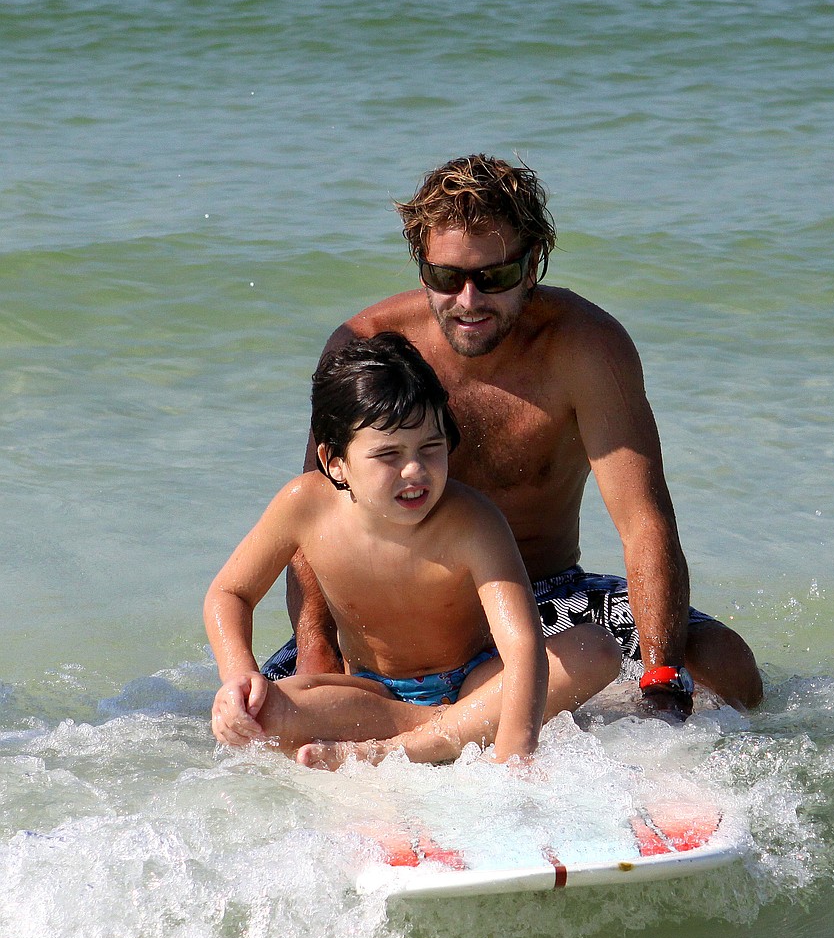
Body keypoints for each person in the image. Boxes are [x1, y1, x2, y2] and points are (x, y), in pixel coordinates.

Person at [262, 154, 762, 726]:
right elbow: (312, 528)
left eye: (493, 277)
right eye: (446, 278)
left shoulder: (584, 347)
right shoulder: (369, 346)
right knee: (252, 721)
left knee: (729, 666)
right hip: (398, 622)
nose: (469, 300)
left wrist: (661, 678)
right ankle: (453, 724)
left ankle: (592, 736)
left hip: (545, 595)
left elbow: (644, 520)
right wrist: (319, 659)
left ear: (532, 265)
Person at [205, 332, 621, 767]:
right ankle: (457, 727)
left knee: (595, 649)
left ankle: (422, 743)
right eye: (388, 454)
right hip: (372, 696)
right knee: (260, 712)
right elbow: (230, 593)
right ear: (334, 462)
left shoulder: (472, 520)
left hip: (475, 681)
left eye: (430, 447)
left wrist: (513, 759)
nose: (414, 469)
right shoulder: (303, 506)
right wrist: (238, 675)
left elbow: (523, 647)